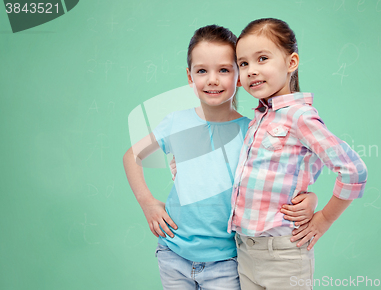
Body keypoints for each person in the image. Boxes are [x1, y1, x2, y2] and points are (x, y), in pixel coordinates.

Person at [122, 24, 317, 290]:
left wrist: (310, 198)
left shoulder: (253, 131)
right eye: (202, 70)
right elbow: (132, 155)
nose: (212, 79)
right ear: (190, 76)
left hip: (228, 261)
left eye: (224, 70)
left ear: (239, 76)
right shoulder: (175, 122)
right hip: (172, 254)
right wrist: (147, 203)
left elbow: (280, 180)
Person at [228, 18, 368, 290]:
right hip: (245, 251)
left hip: (284, 254)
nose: (251, 71)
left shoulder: (299, 116)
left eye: (262, 58)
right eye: (243, 63)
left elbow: (354, 170)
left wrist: (324, 217)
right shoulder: (259, 119)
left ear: (291, 62)